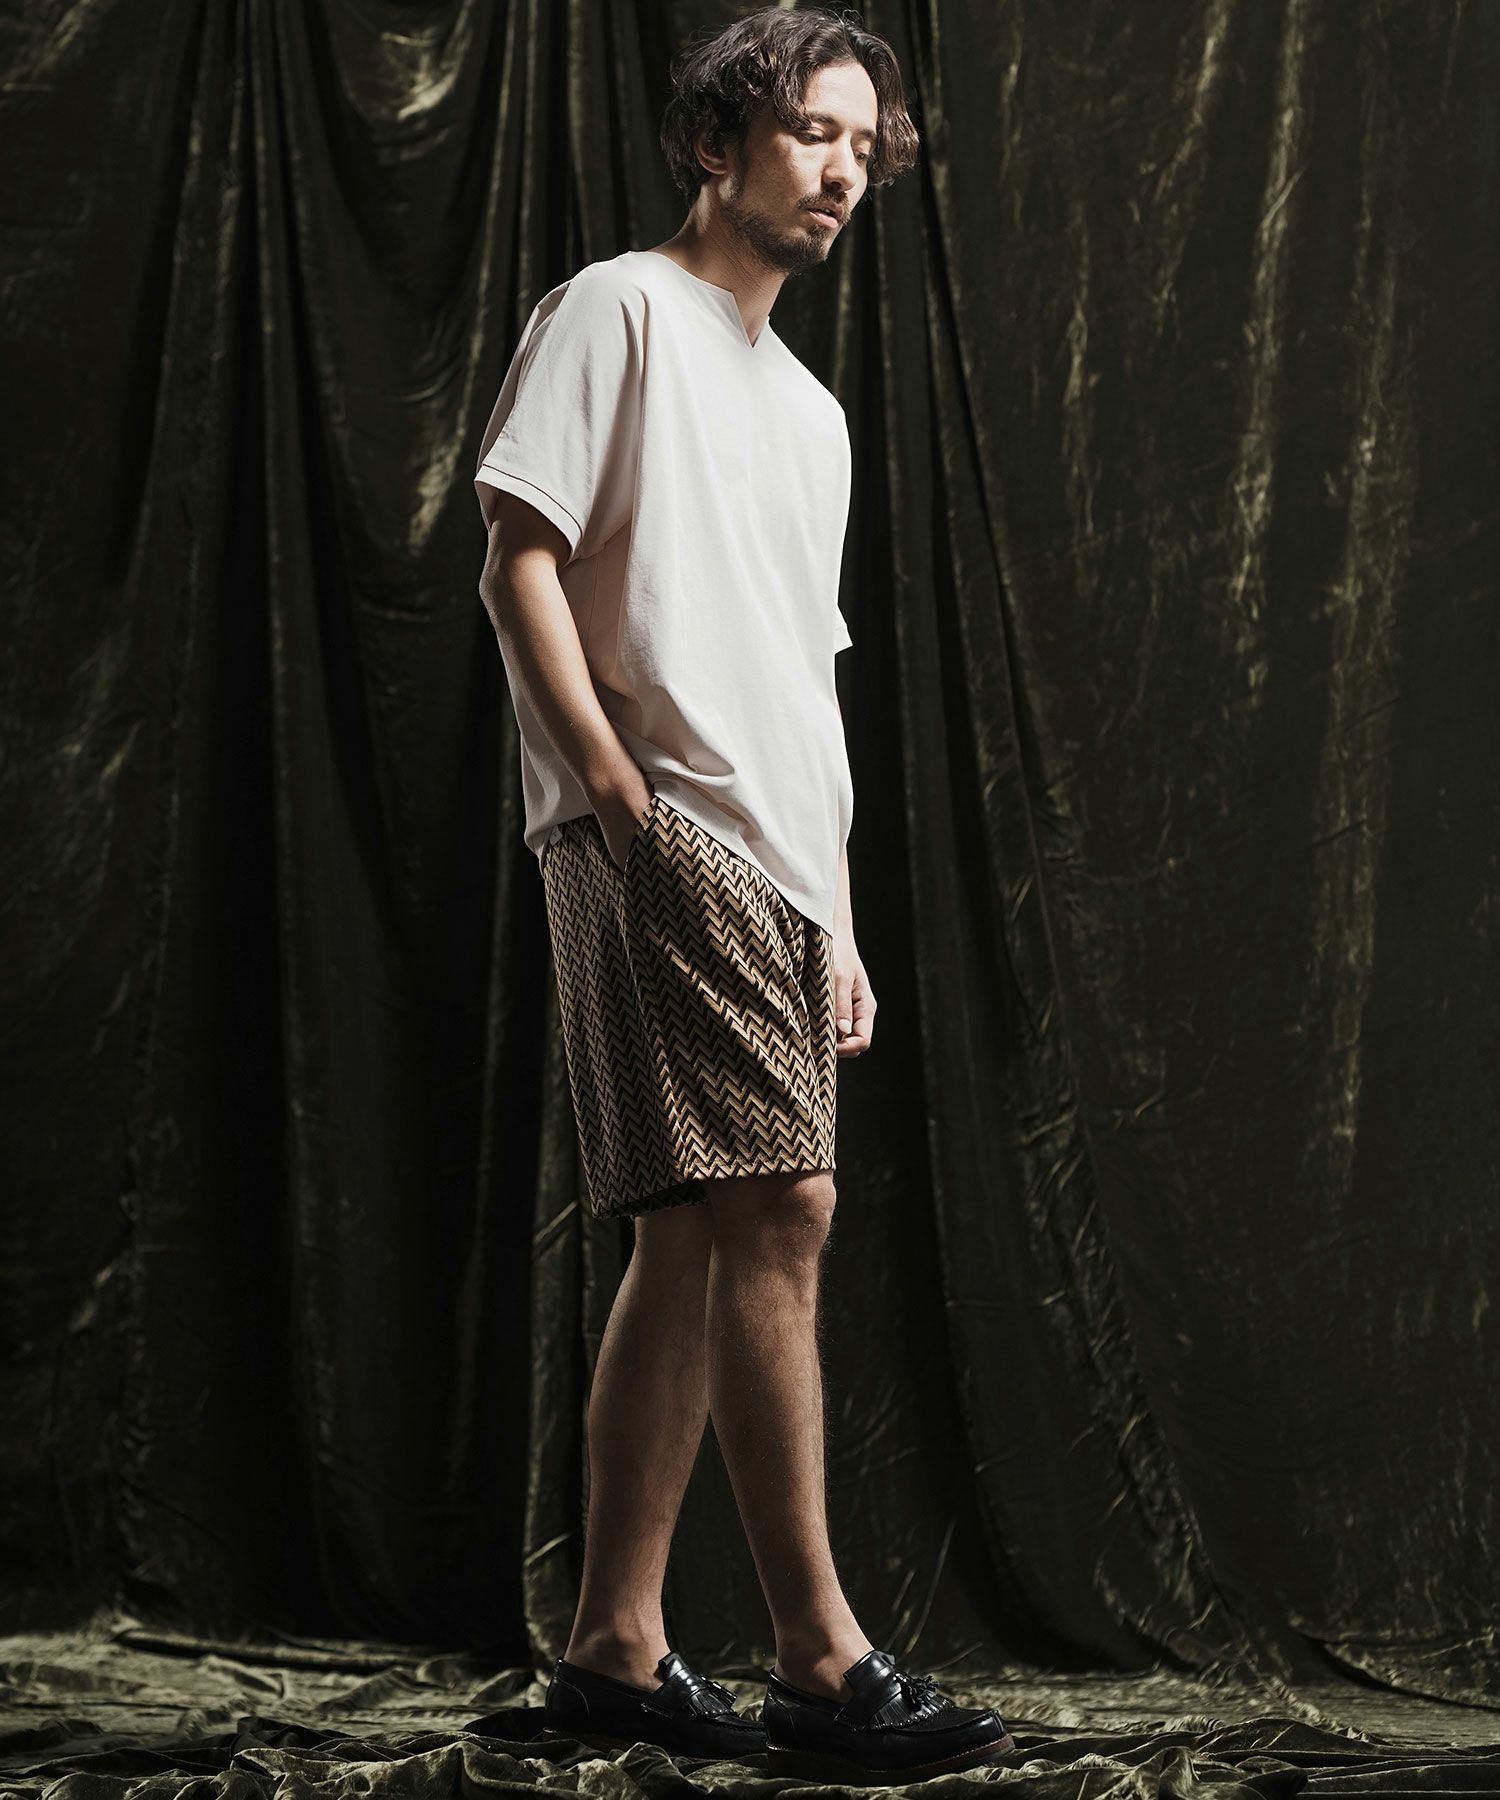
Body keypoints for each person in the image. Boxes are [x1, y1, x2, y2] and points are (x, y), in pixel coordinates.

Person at [471, 7, 1015, 1784]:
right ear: (719, 140)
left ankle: (615, 1649)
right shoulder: (615, 308)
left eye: (867, 144)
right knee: (783, 1203)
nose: (846, 170)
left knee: (696, 1233)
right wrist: (615, 793)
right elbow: (519, 560)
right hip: (661, 824)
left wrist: (836, 915)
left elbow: (800, 682)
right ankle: (822, 1661)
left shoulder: (815, 414)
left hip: (782, 853)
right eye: (812, 131)